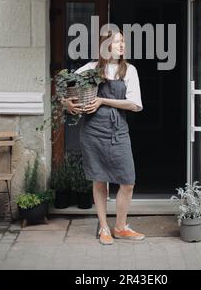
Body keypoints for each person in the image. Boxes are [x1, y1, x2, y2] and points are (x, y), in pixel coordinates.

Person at [61, 28, 145, 245]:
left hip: (118, 132)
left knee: (128, 181)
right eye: (117, 42)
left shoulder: (129, 70)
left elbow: (135, 105)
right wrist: (67, 103)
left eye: (123, 42)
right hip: (93, 132)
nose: (121, 46)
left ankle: (120, 227)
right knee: (100, 182)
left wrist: (103, 101)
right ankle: (104, 228)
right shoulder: (91, 69)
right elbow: (65, 88)